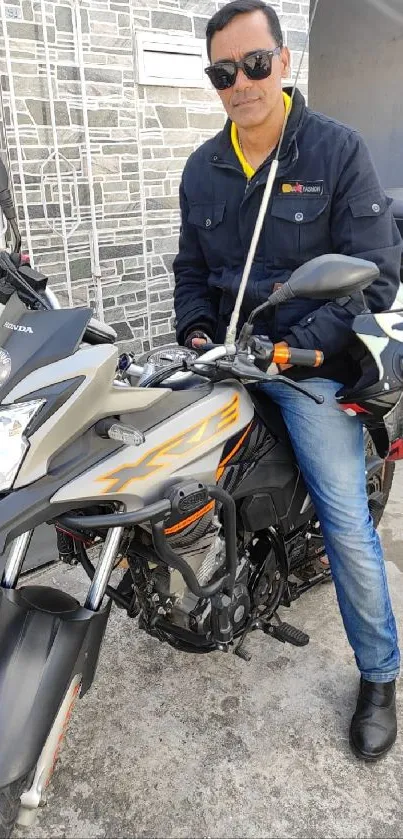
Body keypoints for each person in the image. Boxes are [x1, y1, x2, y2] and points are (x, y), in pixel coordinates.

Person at [173, 0, 402, 760]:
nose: (239, 81)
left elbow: (373, 281)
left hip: (305, 363)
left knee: (344, 516)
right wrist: (197, 334)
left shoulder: (335, 152)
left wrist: (291, 350)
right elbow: (191, 275)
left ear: (284, 62)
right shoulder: (203, 168)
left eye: (254, 64)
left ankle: (378, 672)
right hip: (226, 354)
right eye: (222, 71)